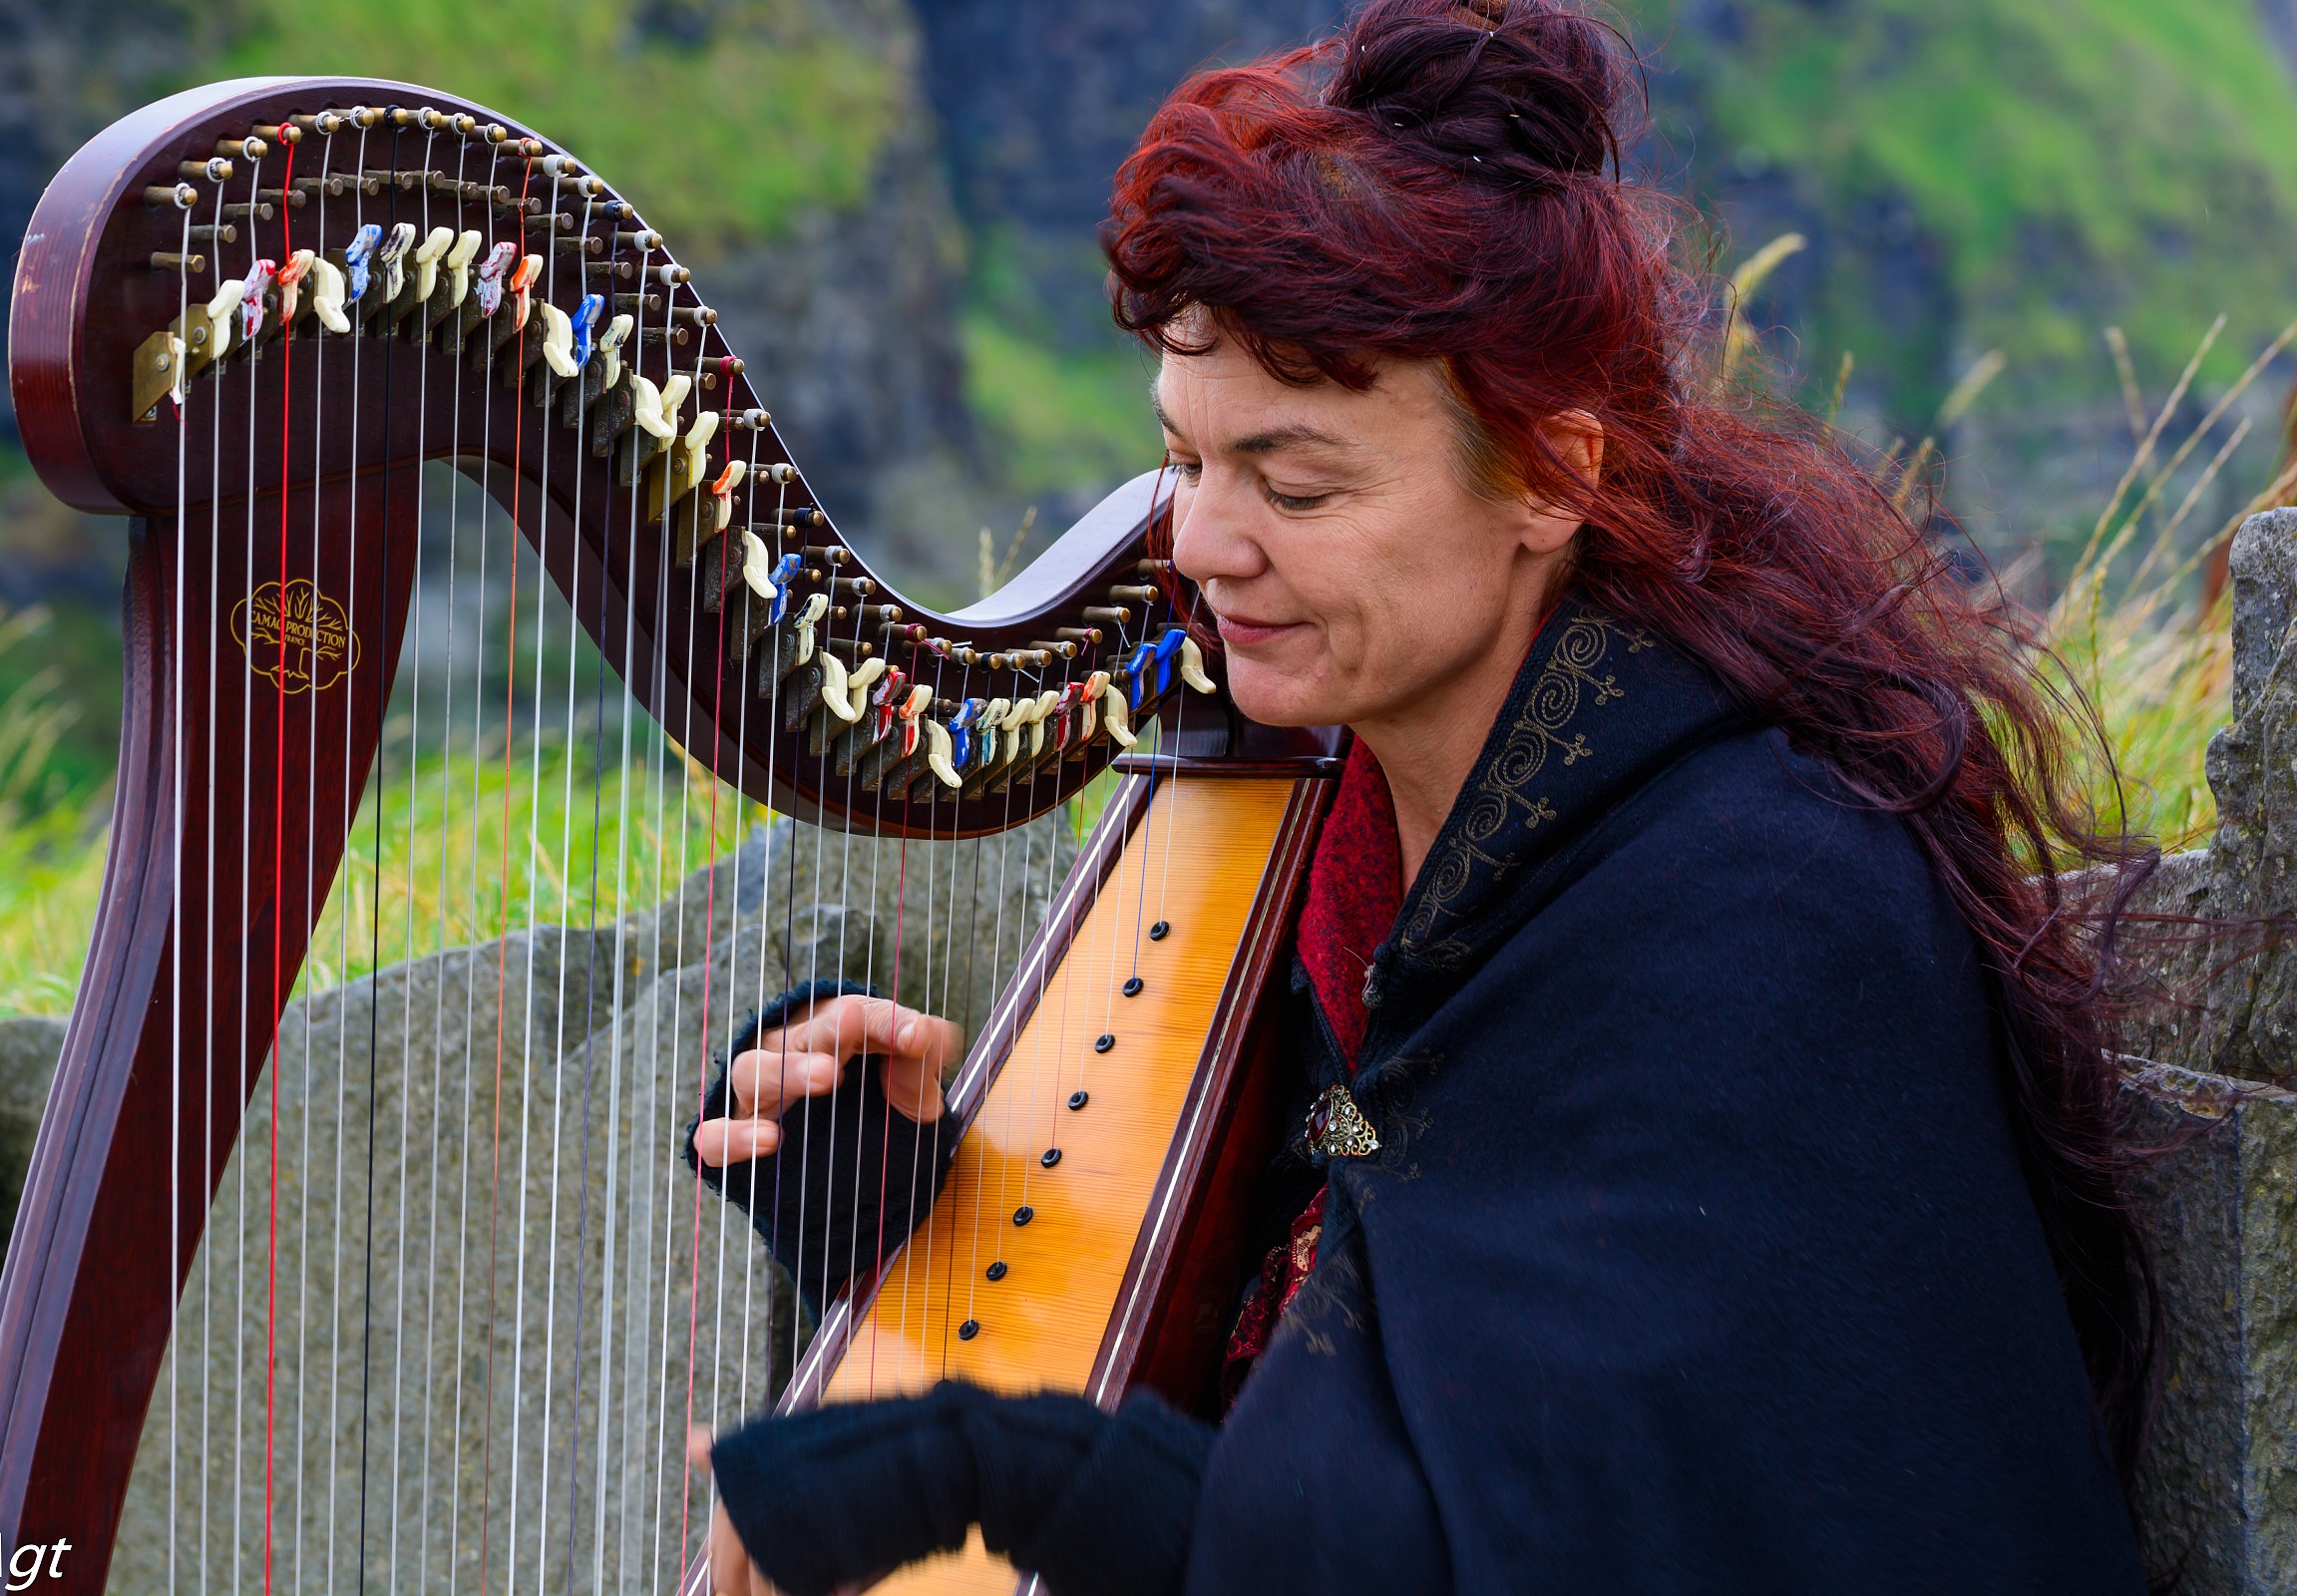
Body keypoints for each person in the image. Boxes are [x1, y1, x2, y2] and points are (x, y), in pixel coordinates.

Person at [681, 1, 2155, 1590]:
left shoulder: (1764, 921)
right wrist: (893, 1204)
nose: (1199, 545)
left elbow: (1514, 1544)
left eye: (1295, 483)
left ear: (1552, 476)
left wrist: (986, 1467)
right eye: (1185, 460)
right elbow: (1330, 1249)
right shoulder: (1379, 830)